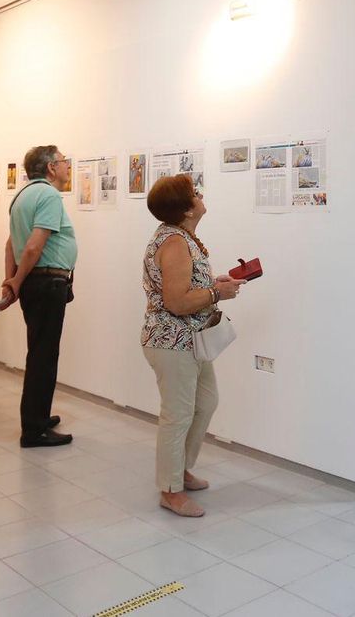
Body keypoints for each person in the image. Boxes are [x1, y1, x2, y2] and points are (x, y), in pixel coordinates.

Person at [141, 174, 244, 517]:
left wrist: (214, 283)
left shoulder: (183, 237)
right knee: (178, 414)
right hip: (172, 341)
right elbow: (176, 302)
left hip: (191, 340)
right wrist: (217, 293)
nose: (200, 196)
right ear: (186, 209)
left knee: (206, 403)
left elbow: (186, 285)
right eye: (194, 193)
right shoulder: (174, 243)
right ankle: (170, 491)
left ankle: (181, 470)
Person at [0, 145, 77, 448]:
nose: (67, 166)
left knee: (40, 354)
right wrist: (16, 281)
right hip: (46, 283)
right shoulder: (48, 196)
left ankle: (38, 417)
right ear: (50, 168)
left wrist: (11, 280)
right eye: (63, 161)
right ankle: (34, 429)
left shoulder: (22, 196)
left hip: (36, 283)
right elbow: (32, 246)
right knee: (44, 357)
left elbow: (11, 245)